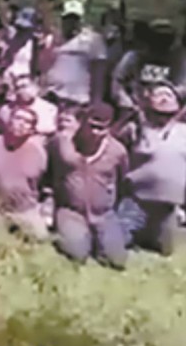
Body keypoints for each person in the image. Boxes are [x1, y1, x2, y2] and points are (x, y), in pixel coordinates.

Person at [47, 103, 128, 269]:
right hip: (71, 211)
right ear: (83, 122)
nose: (95, 132)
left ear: (109, 129)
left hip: (103, 213)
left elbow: (122, 180)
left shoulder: (117, 151)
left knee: (116, 261)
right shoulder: (62, 143)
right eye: (91, 126)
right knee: (76, 253)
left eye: (101, 128)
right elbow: (47, 171)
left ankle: (102, 240)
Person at [116, 82, 186, 256]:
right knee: (116, 244)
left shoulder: (184, 132)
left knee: (166, 250)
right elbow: (112, 150)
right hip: (136, 202)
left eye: (169, 95)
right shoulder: (134, 129)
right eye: (158, 94)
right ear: (147, 101)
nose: (164, 99)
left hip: (167, 207)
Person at [0, 107, 49, 240]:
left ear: (32, 130)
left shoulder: (39, 153)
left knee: (40, 237)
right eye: (18, 118)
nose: (21, 123)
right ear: (9, 121)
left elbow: (42, 184)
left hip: (24, 210)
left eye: (27, 122)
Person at [112, 18, 186, 114]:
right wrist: (127, 104)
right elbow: (118, 82)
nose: (162, 41)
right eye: (158, 37)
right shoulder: (133, 57)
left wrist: (166, 98)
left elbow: (182, 85)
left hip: (169, 110)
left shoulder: (179, 60)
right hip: (135, 109)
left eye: (166, 38)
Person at [43, 0, 107, 108]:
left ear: (81, 20)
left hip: (77, 99)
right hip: (52, 96)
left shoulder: (93, 40)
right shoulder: (52, 40)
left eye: (75, 19)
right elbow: (44, 67)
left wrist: (97, 100)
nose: (72, 23)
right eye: (68, 19)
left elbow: (99, 71)